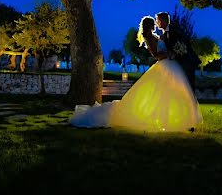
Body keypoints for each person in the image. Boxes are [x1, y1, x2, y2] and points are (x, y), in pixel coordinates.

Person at [68, 15, 202, 132]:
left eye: (157, 22)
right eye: (154, 23)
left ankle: (174, 118)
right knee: (160, 92)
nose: (156, 24)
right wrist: (169, 54)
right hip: (164, 63)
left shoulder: (156, 36)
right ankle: (164, 118)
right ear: (150, 25)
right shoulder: (149, 38)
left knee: (170, 91)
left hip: (168, 65)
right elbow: (156, 54)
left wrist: (173, 52)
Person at [156, 11, 199, 91]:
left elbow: (184, 44)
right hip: (176, 65)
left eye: (158, 20)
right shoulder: (164, 35)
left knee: (188, 88)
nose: (157, 22)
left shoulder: (175, 30)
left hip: (186, 62)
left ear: (164, 20)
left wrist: (175, 53)